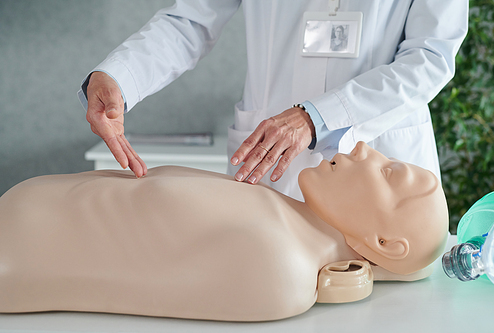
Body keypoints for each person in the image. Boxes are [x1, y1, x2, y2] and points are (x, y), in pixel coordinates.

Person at [0, 142, 448, 321]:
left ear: (385, 243)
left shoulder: (280, 267)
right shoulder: (280, 216)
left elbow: (96, 285)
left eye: (390, 173)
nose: (364, 148)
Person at [79, 1, 468, 201]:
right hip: (271, 165)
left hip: (380, 159)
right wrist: (119, 77)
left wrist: (318, 118)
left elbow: (431, 56)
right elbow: (191, 20)